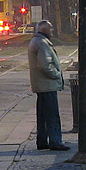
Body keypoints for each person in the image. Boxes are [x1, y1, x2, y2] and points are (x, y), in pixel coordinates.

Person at [27, 20, 68, 151]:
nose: (52, 31)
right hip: (47, 84)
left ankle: (42, 141)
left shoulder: (36, 41)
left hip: (41, 84)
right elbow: (45, 65)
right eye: (50, 29)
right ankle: (55, 141)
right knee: (52, 115)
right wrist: (57, 75)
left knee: (43, 115)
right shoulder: (42, 43)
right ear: (45, 30)